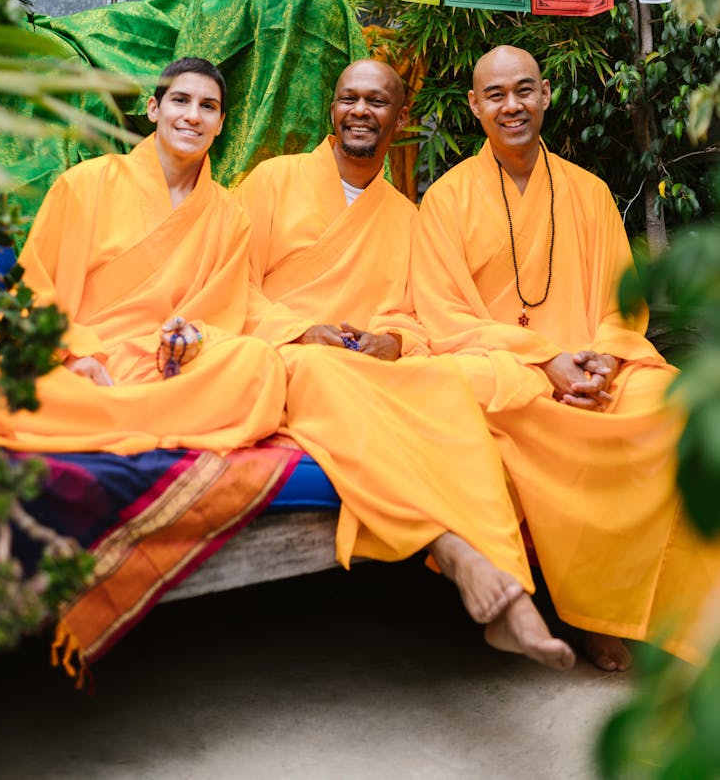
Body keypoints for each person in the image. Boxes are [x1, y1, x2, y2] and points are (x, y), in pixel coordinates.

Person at [237, 58, 576, 671]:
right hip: (285, 357)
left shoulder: (408, 216)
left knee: (445, 392)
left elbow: (419, 315)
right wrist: (298, 330)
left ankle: (500, 584)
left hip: (372, 370)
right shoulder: (271, 182)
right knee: (322, 371)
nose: (361, 111)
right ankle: (465, 556)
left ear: (400, 117)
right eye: (349, 99)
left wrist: (392, 340)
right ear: (333, 110)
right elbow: (229, 285)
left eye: (377, 101)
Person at [412, 45, 720, 669]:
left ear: (547, 94)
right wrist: (543, 360)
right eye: (495, 95)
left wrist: (604, 358)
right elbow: (444, 317)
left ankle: (644, 612)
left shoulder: (589, 191)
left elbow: (619, 304)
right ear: (474, 106)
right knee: (478, 398)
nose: (512, 105)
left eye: (524, 90)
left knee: (672, 406)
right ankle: (576, 610)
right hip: (510, 371)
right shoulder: (445, 199)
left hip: (592, 368)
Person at [0, 57, 287, 456]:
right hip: (79, 360)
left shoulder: (230, 216)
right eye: (180, 100)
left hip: (164, 368)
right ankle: (128, 418)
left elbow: (220, 318)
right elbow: (34, 289)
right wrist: (75, 354)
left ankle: (100, 418)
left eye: (208, 107)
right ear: (155, 110)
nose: (193, 115)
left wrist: (188, 341)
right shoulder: (86, 183)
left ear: (221, 123)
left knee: (257, 362)